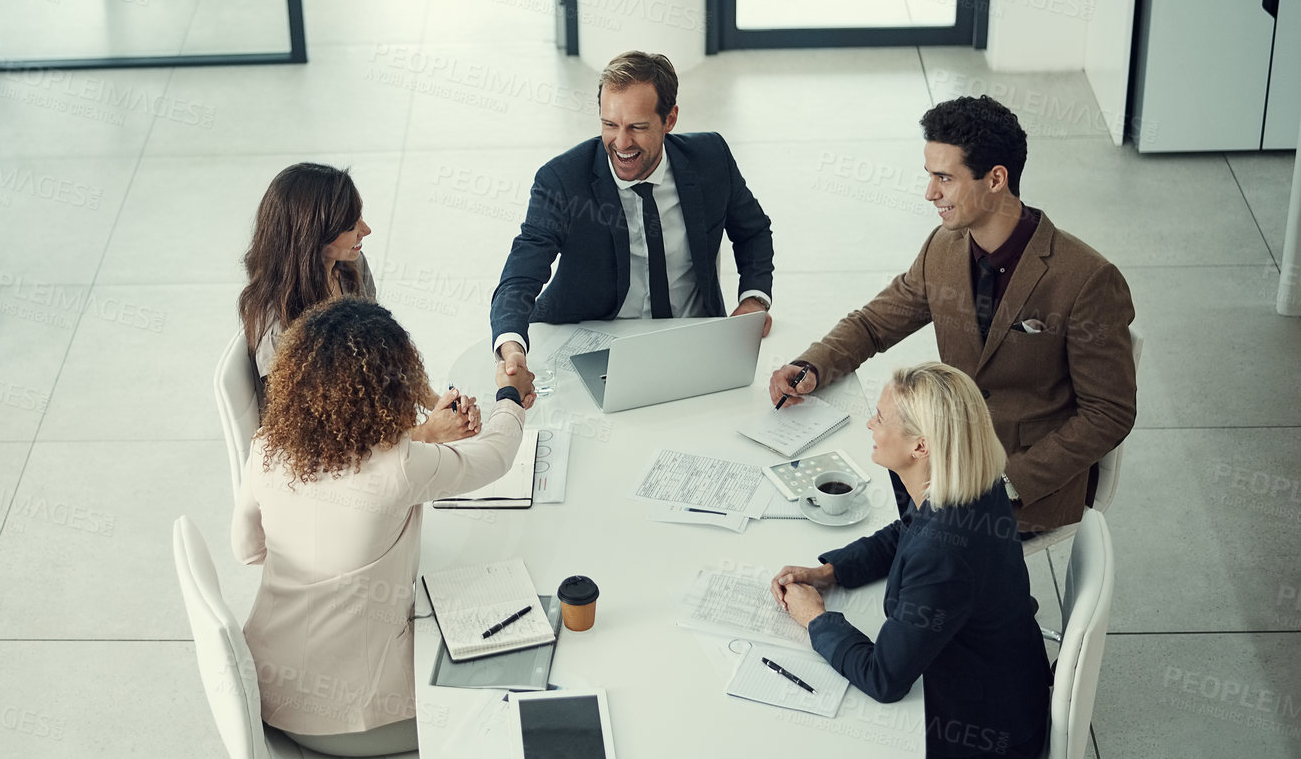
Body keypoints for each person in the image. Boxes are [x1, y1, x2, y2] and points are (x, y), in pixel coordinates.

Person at [232, 297, 537, 759]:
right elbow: (495, 456)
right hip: (343, 720)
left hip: (265, 694)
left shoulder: (268, 447)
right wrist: (509, 401)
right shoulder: (399, 464)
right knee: (504, 706)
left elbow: (247, 550)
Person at [735, 363, 1052, 759]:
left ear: (921, 446)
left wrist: (816, 619)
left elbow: (885, 679)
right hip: (1000, 687)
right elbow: (905, 531)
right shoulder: (966, 482)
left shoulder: (947, 553)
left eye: (879, 418)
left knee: (773, 744)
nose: (870, 426)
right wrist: (831, 571)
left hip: (981, 738)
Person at [768, 96, 1135, 535]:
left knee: (872, 540)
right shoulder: (943, 247)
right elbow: (874, 323)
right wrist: (812, 365)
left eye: (945, 178)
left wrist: (1008, 484)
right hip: (941, 460)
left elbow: (1108, 413)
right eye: (929, 175)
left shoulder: (1086, 279)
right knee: (828, 509)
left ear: (996, 178)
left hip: (1019, 492)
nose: (930, 193)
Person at [489, 50, 775, 372]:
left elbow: (753, 231)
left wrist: (754, 299)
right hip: (593, 344)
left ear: (670, 119)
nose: (621, 143)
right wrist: (511, 348)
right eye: (609, 124)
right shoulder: (562, 181)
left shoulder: (710, 158)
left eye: (637, 127)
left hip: (692, 340)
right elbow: (519, 276)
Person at [239, 162, 478, 441]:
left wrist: (442, 404)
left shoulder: (350, 267)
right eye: (351, 225)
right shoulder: (278, 330)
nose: (366, 229)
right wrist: (425, 434)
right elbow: (318, 435)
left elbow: (384, 352)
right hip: (326, 453)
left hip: (366, 425)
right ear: (313, 236)